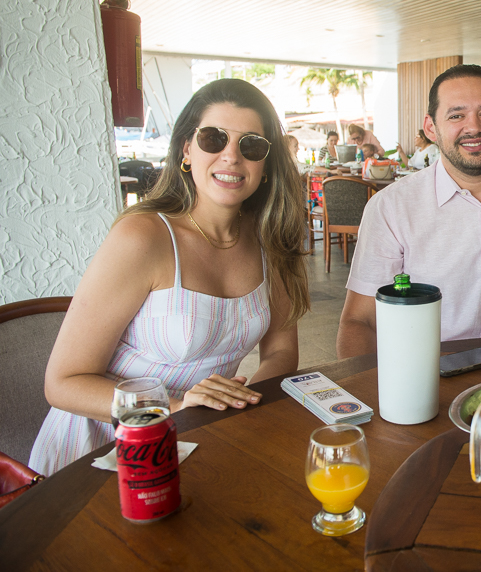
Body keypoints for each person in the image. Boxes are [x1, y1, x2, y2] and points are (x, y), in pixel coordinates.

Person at [30, 78, 309, 475]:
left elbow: (281, 350)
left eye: (251, 145)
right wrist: (175, 408)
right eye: (213, 138)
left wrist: (239, 405)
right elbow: (63, 383)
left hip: (198, 439)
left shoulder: (271, 240)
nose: (231, 156)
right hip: (101, 447)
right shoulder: (142, 237)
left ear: (266, 164)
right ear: (186, 149)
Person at [337, 64, 481, 358]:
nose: (473, 127)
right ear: (430, 128)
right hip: (429, 371)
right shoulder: (392, 207)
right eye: (456, 115)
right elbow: (360, 320)